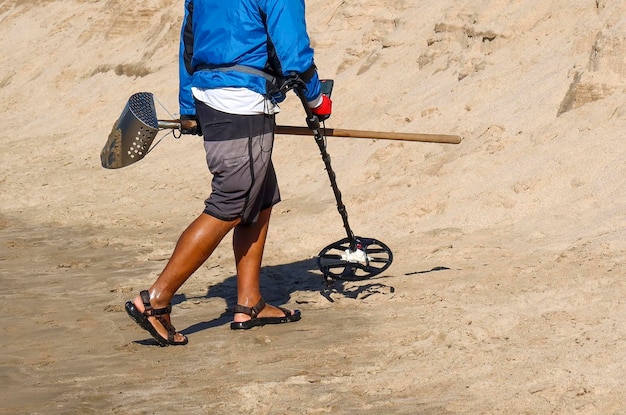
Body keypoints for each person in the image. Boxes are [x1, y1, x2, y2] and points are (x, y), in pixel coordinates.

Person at [124, 0, 332, 346]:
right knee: (232, 201)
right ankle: (155, 300)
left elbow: (188, 44)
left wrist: (188, 108)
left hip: (209, 95)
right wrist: (317, 102)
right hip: (243, 102)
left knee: (261, 194)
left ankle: (249, 303)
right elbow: (294, 53)